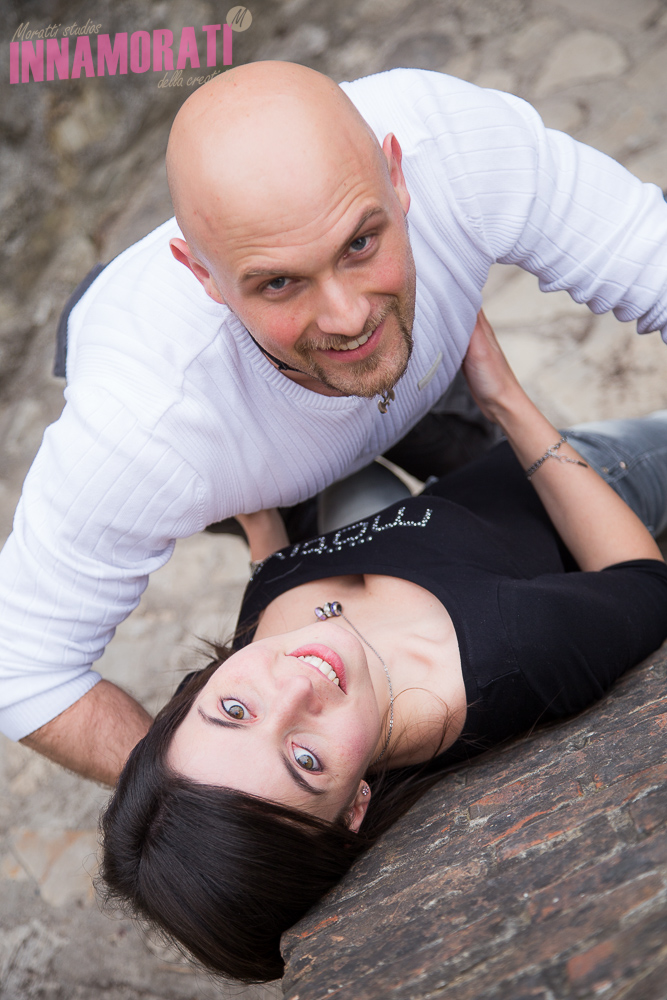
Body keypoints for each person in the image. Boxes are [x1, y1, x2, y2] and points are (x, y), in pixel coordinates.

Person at [4, 62, 667, 786]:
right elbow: (22, 667)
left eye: (360, 243)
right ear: (201, 276)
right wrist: (223, 794)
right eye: (278, 282)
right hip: (237, 434)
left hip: (424, 367)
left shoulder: (453, 144)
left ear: (396, 173)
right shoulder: (147, 429)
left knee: (485, 482)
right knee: (312, 526)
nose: (348, 318)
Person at [99, 313, 667, 984]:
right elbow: (639, 583)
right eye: (304, 758)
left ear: (194, 694)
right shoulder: (507, 651)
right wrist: (505, 400)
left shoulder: (261, 661)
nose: (295, 686)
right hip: (566, 478)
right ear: (356, 805)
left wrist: (257, 519)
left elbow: (268, 586)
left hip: (387, 523)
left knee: (340, 466)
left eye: (232, 710)